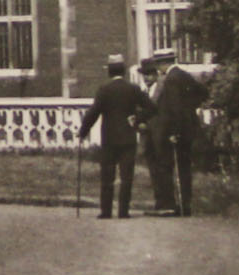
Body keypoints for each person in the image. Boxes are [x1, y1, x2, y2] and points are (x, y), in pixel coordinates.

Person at [79, 54, 155, 220]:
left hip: (109, 139)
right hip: (128, 138)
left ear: (110, 71)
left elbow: (93, 113)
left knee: (107, 175)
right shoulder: (133, 89)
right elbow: (151, 108)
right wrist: (138, 118)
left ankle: (106, 211)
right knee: (126, 176)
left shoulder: (104, 89)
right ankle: (123, 211)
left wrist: (83, 131)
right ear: (124, 70)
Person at [152, 61, 211, 216]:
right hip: (189, 128)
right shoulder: (184, 75)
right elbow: (203, 92)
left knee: (169, 166)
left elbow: (175, 108)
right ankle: (186, 203)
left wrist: (175, 132)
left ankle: (172, 205)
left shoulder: (171, 79)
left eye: (158, 65)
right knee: (184, 167)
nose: (158, 69)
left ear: (164, 64)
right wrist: (190, 107)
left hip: (176, 130)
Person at [138, 54, 177, 215]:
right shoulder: (144, 92)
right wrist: (140, 124)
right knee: (153, 170)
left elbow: (168, 112)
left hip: (162, 135)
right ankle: (159, 203)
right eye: (144, 75)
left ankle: (169, 204)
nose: (146, 78)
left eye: (149, 74)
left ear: (155, 74)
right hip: (148, 136)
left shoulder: (162, 90)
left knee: (164, 169)